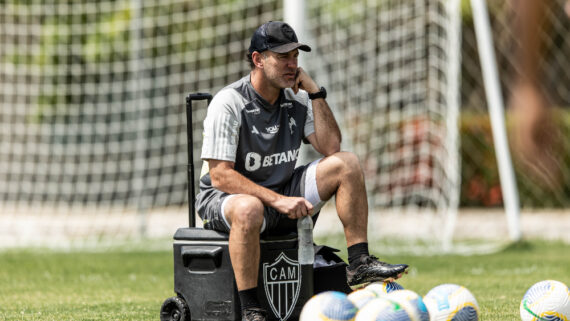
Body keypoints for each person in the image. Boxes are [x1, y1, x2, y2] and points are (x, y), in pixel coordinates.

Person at [196, 21, 408, 321]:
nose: (292, 64)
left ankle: (359, 263)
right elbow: (220, 176)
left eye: (295, 56)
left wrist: (315, 93)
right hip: (226, 199)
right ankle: (250, 309)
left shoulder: (296, 97)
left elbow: (331, 146)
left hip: (278, 192)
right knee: (249, 208)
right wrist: (277, 200)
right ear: (258, 59)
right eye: (283, 57)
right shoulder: (229, 102)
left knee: (346, 163)